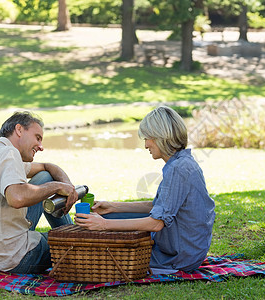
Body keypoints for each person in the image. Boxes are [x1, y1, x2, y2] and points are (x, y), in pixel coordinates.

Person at [75, 106, 216, 274]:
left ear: (161, 136)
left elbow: (156, 223)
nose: (146, 145)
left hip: (178, 257)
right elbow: (158, 206)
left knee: (103, 230)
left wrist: (103, 225)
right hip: (185, 248)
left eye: (148, 138)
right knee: (109, 215)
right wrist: (114, 207)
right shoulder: (181, 162)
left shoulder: (179, 169)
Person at [0, 111, 78, 274]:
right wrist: (56, 187)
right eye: (37, 137)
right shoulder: (9, 154)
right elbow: (17, 198)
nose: (41, 146)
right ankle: (76, 240)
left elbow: (47, 167)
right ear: (19, 130)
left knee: (45, 177)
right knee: (68, 245)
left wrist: (67, 186)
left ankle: (72, 234)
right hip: (11, 260)